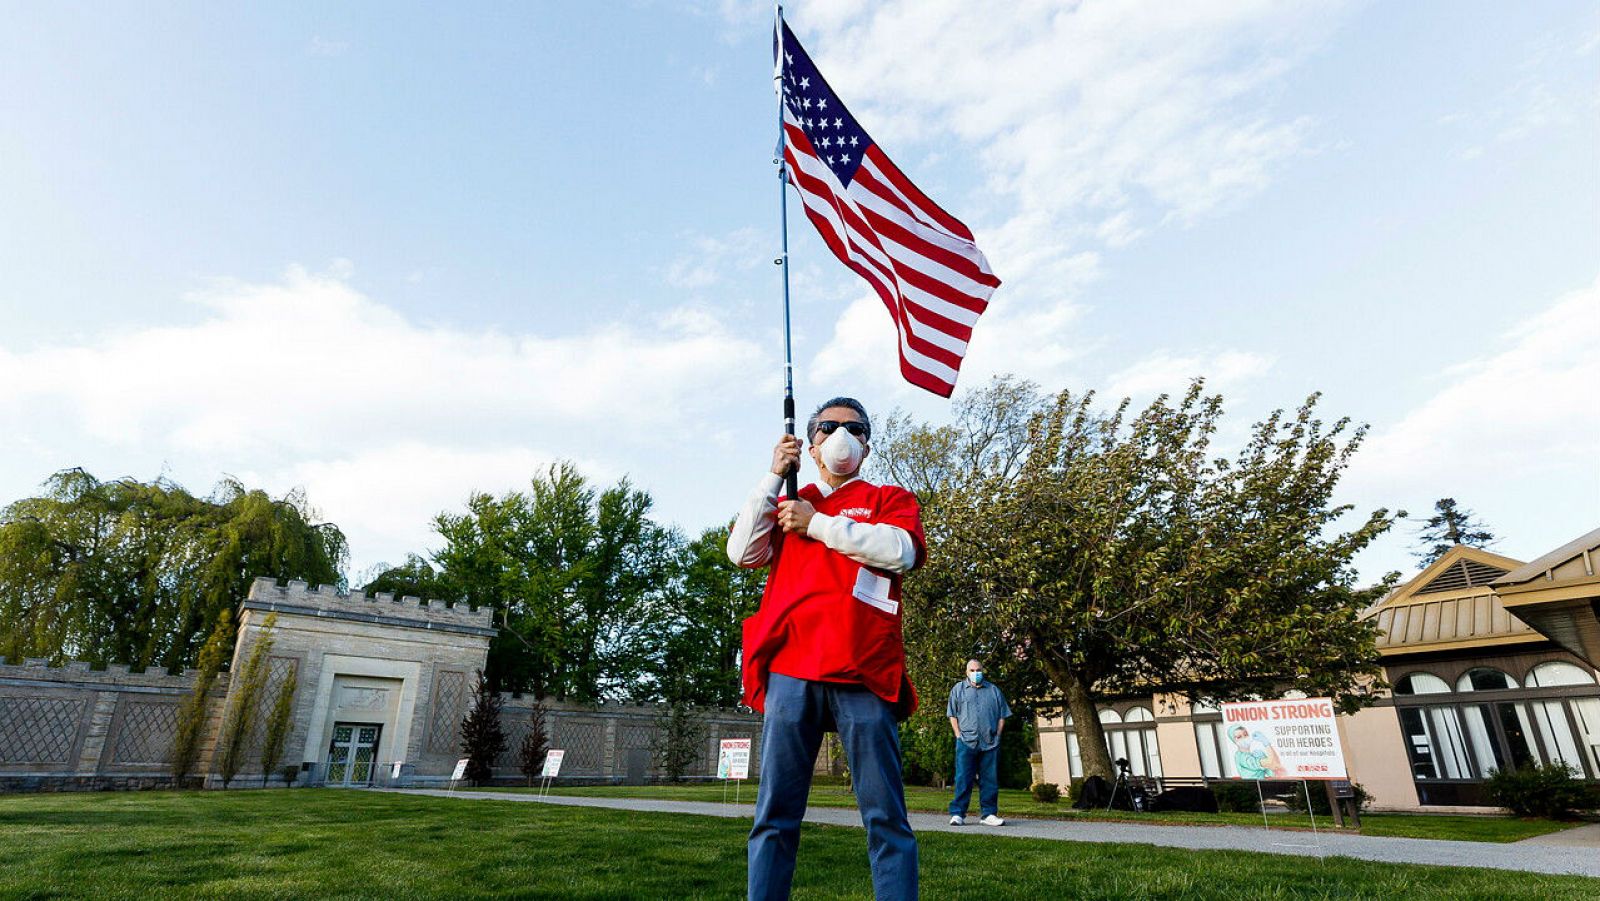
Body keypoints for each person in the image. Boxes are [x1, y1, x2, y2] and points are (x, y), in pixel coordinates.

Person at [730, 396, 925, 901]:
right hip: (793, 665)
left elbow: (900, 552)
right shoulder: (789, 499)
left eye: (854, 427)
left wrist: (817, 523)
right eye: (826, 426)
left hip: (864, 667)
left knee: (885, 815)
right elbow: (742, 552)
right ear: (809, 442)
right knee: (775, 813)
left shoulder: (888, 498)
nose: (840, 435)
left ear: (866, 442)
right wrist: (774, 477)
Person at [946, 658, 1012, 826]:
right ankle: (958, 814)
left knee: (989, 779)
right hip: (966, 742)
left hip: (990, 743)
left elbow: (1002, 715)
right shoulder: (958, 690)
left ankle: (988, 814)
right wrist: (958, 735)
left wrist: (997, 735)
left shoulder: (994, 690)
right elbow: (952, 714)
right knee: (963, 778)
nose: (976, 673)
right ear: (967, 672)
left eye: (979, 670)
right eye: (972, 670)